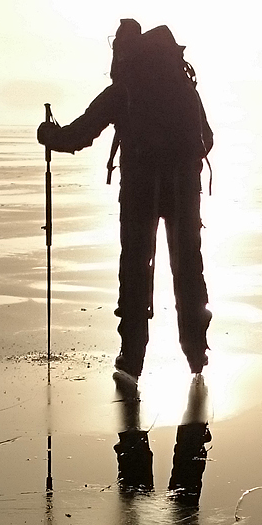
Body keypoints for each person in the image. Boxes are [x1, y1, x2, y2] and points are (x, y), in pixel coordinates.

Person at [38, 19, 214, 375]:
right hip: (182, 189)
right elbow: (206, 139)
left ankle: (132, 359)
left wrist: (48, 135)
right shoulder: (184, 86)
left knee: (135, 269)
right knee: (188, 269)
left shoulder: (126, 89)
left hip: (140, 191)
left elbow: (80, 134)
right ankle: (197, 355)